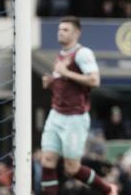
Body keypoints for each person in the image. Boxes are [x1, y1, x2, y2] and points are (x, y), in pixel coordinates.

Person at [40, 16, 117, 195]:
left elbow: (94, 79)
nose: (60, 32)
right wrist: (51, 82)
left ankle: (108, 190)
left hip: (74, 118)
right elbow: (66, 83)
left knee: (72, 168)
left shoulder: (83, 53)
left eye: (65, 29)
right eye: (59, 29)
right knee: (47, 160)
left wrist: (65, 72)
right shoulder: (60, 55)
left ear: (76, 33)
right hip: (56, 113)